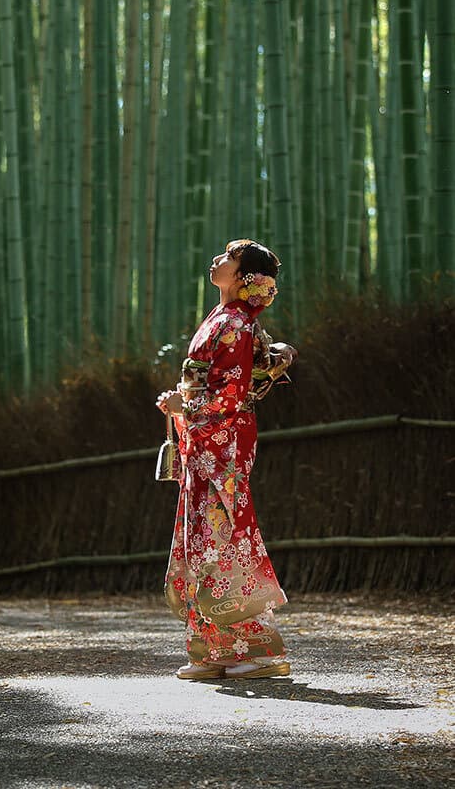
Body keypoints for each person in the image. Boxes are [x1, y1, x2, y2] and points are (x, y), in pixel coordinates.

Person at [156, 238, 297, 681]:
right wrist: (182, 402)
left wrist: (187, 407)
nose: (217, 259)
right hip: (209, 441)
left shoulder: (234, 323)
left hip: (224, 442)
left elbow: (232, 393)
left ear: (242, 278)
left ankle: (251, 649)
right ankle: (216, 649)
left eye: (228, 256)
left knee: (224, 538)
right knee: (205, 538)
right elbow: (212, 386)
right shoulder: (224, 318)